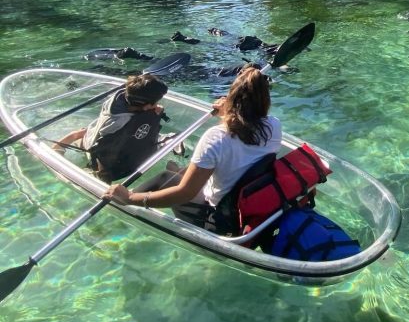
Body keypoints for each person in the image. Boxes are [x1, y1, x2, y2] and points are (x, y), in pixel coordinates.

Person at [103, 66, 282, 227]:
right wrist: (227, 112)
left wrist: (131, 198)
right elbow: (243, 130)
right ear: (265, 100)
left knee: (164, 178)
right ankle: (179, 173)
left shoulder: (216, 137)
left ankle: (121, 199)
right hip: (247, 205)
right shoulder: (274, 126)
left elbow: (185, 194)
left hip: (218, 217)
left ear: (232, 98)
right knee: (181, 171)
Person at [57, 74, 168, 181]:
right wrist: (103, 174)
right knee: (84, 136)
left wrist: (152, 109)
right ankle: (63, 144)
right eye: (156, 102)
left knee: (88, 131)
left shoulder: (123, 95)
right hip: (95, 144)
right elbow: (103, 148)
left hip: (98, 129)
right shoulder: (118, 123)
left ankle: (79, 135)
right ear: (146, 105)